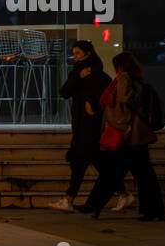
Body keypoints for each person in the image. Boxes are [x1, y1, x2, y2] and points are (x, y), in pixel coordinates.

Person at [76, 52, 165, 221]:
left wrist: (115, 126)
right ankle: (153, 210)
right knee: (142, 175)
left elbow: (123, 104)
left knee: (113, 172)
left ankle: (93, 205)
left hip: (128, 137)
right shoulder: (139, 81)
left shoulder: (125, 79)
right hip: (136, 138)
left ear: (120, 67)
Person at [49, 41, 133, 213]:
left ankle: (69, 199)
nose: (75, 56)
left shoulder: (98, 74)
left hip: (91, 126)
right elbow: (64, 92)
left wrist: (93, 104)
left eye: (78, 53)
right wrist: (78, 77)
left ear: (88, 54)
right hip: (82, 125)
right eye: (74, 52)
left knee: (79, 162)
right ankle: (124, 193)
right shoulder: (79, 72)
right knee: (98, 162)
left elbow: (104, 96)